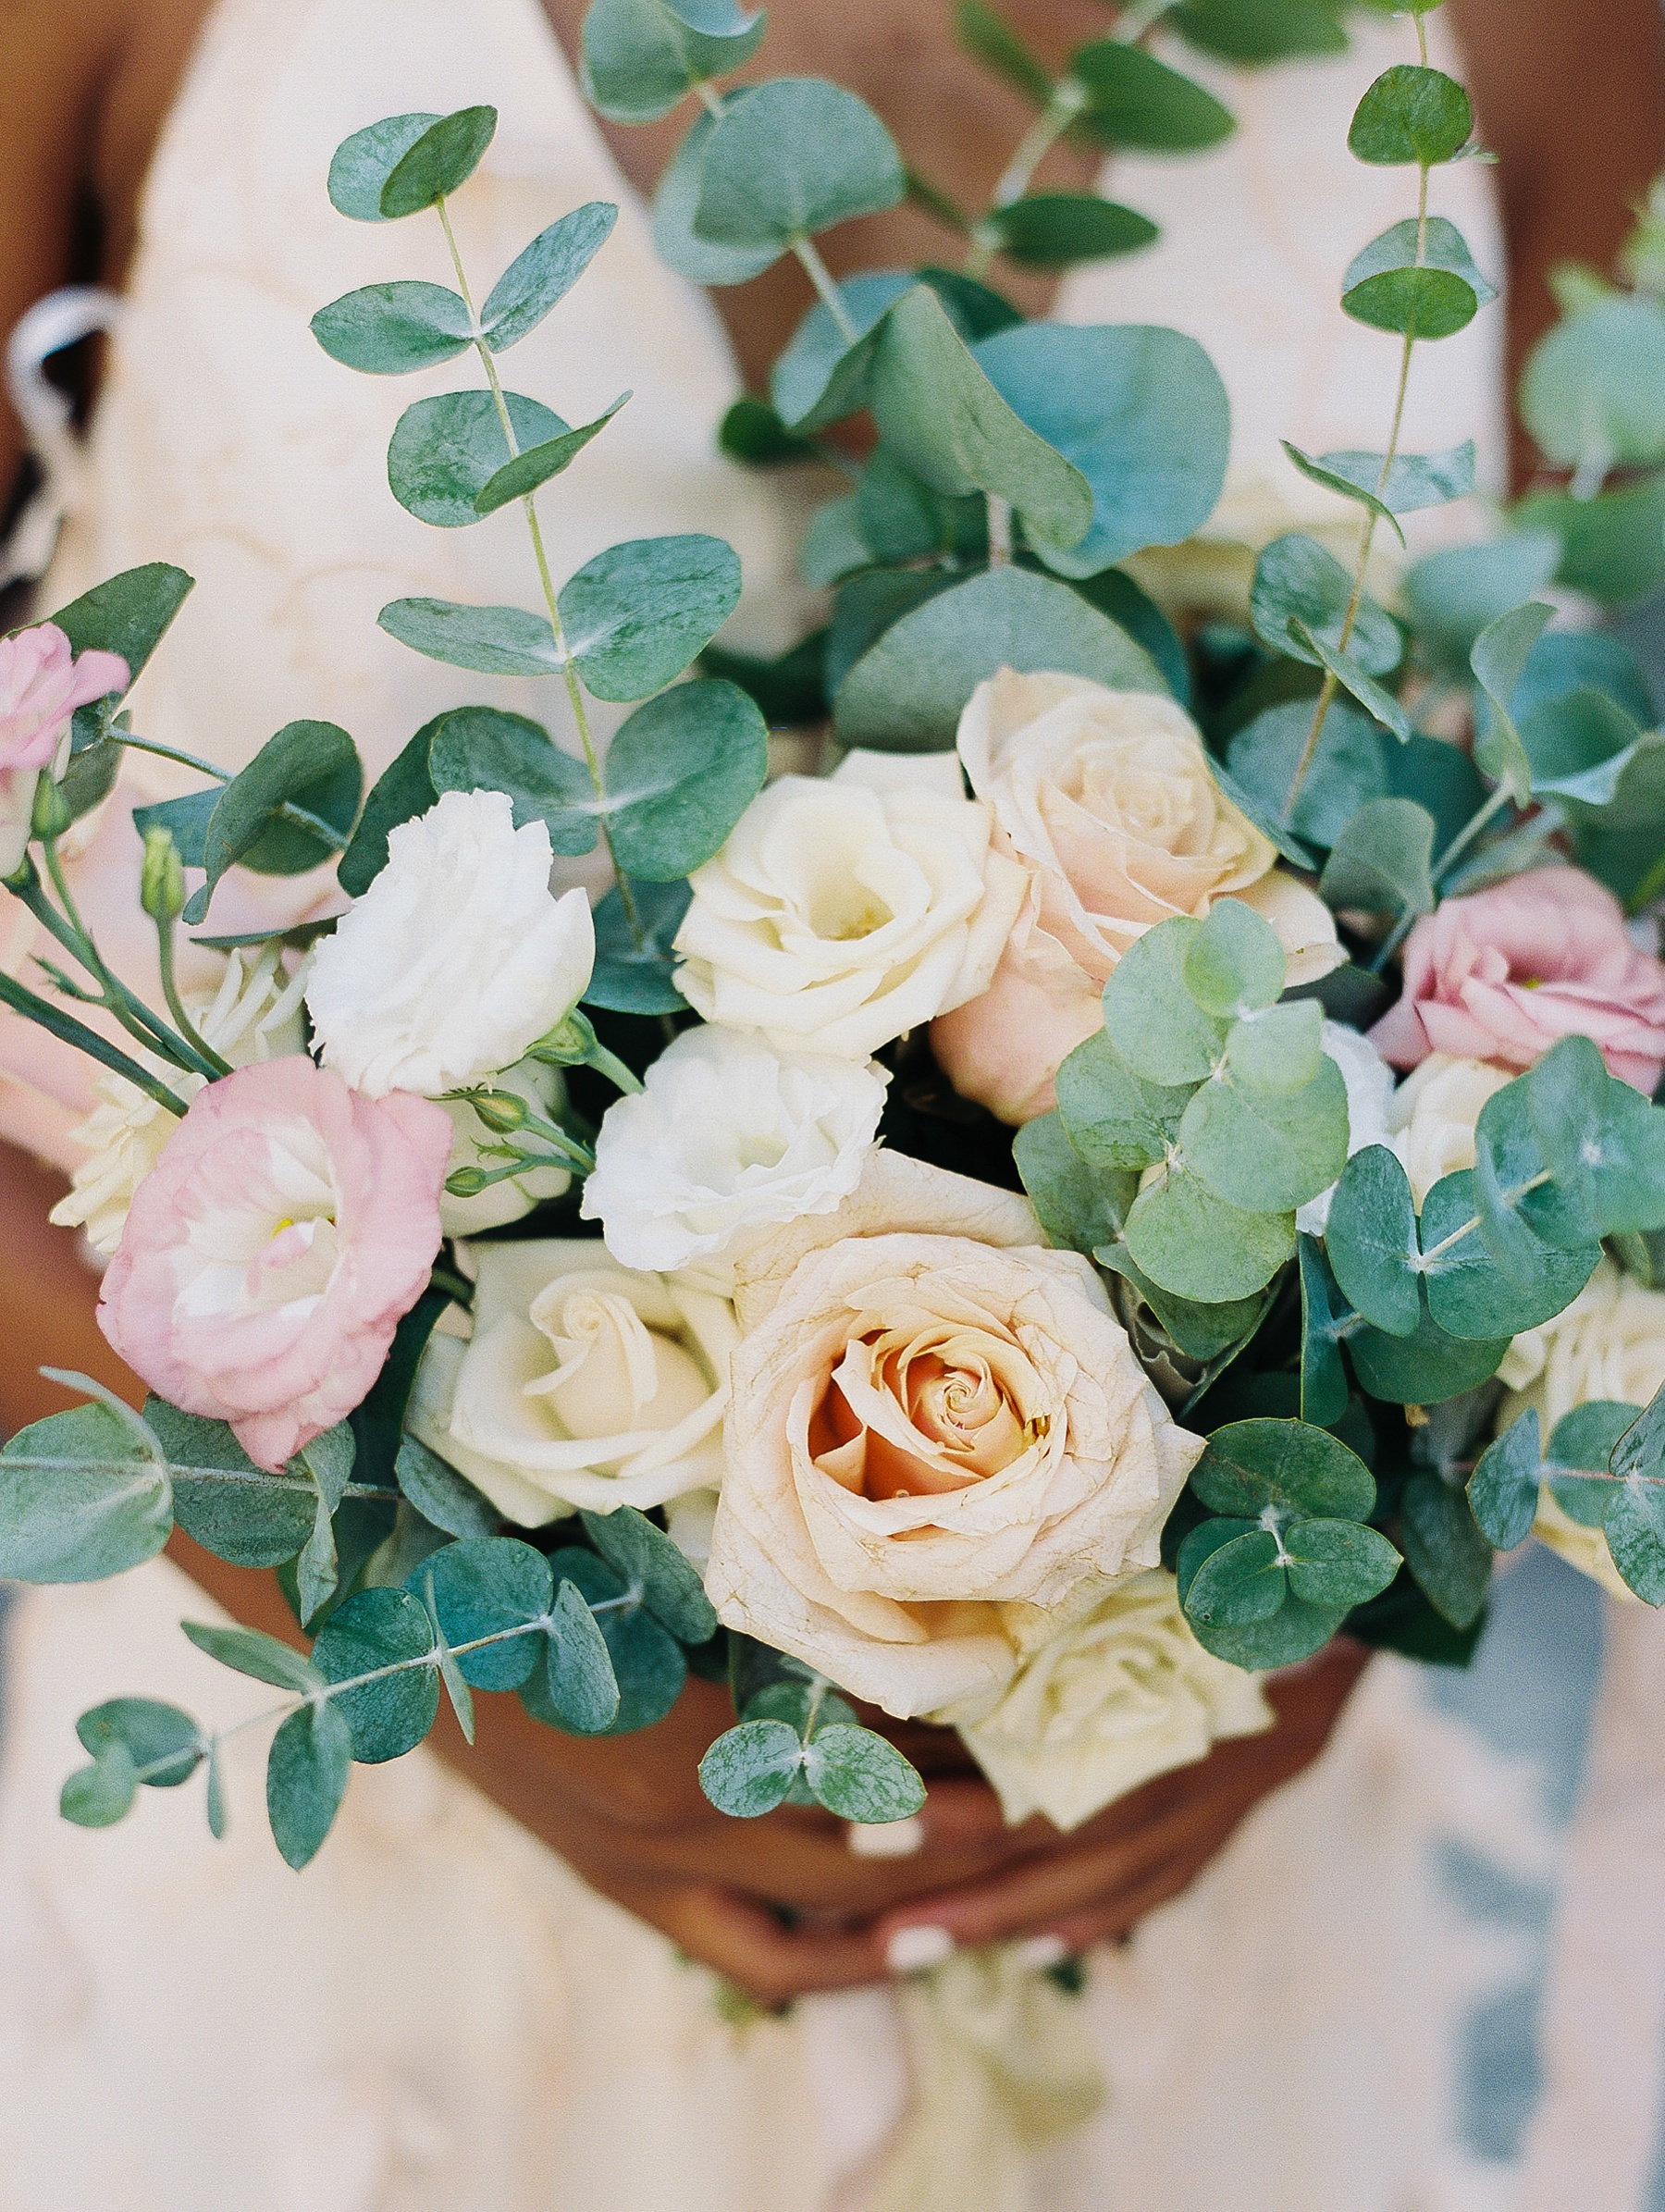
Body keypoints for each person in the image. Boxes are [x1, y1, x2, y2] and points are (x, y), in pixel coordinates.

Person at [0, 4, 1659, 2207]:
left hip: (1177, 1849)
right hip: (349, 1856)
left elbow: (1594, 864)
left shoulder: (1554, 34)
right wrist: (407, 1637)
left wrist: (1310, 1585)